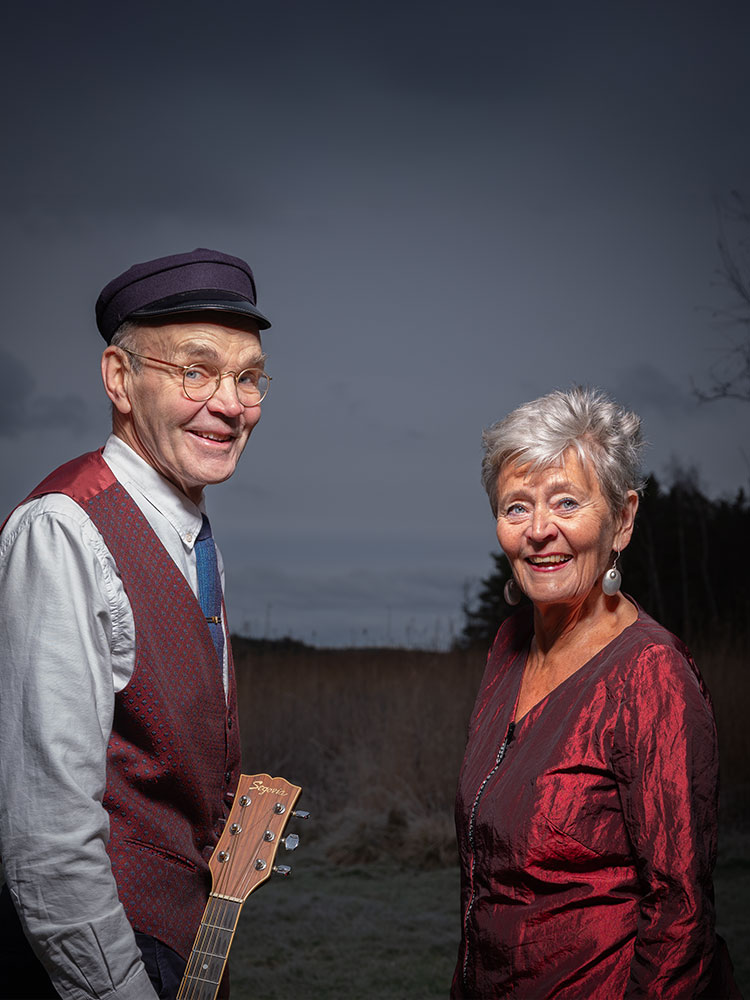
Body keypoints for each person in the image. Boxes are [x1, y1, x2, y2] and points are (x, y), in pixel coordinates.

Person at [0, 248, 273, 999]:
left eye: (247, 376)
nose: (230, 403)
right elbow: (46, 840)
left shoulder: (191, 536)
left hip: (180, 944)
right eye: (196, 369)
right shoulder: (63, 531)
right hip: (104, 960)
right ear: (120, 378)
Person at [452, 386, 739, 999]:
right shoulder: (508, 649)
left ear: (624, 519)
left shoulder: (651, 675)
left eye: (566, 502)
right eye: (516, 507)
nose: (539, 531)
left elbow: (680, 918)